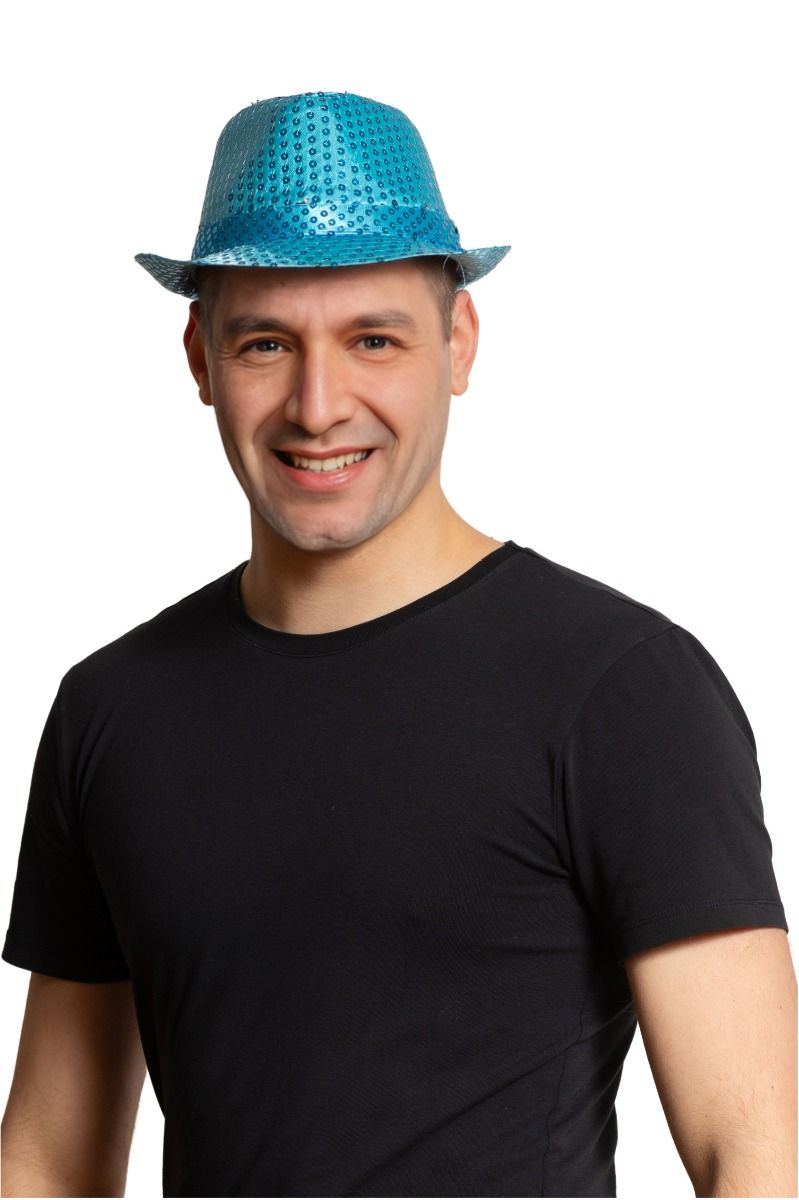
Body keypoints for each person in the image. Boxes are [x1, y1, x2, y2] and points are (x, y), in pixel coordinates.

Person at [0, 90, 795, 1199]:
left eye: (373, 339)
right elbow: (50, 1159)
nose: (318, 405)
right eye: (266, 343)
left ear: (457, 344)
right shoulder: (112, 711)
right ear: (199, 359)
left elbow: (753, 1156)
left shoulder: (620, 689)